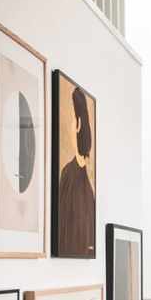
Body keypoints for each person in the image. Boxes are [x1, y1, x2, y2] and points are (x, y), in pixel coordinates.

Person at [57, 86, 95, 255]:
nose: (71, 124)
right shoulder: (88, 185)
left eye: (73, 119)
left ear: (78, 123)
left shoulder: (68, 175)